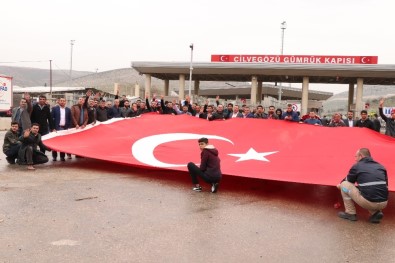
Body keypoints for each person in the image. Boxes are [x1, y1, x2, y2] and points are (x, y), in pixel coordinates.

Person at [337, 148, 388, 223]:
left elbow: (348, 181)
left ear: (361, 156)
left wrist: (340, 186)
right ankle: (375, 213)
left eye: (356, 156)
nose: (355, 159)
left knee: (344, 185)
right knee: (369, 190)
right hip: (384, 202)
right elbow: (385, 186)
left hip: (369, 202)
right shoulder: (381, 167)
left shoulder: (357, 166)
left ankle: (350, 213)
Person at [51, 97, 72, 161]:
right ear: (58, 101)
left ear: (65, 102)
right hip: (56, 128)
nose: (62, 102)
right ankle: (54, 156)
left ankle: (62, 157)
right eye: (61, 101)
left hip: (64, 128)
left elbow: (70, 119)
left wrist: (69, 128)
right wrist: (52, 128)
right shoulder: (54, 109)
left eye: (63, 101)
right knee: (55, 143)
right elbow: (51, 119)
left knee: (63, 143)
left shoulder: (68, 110)